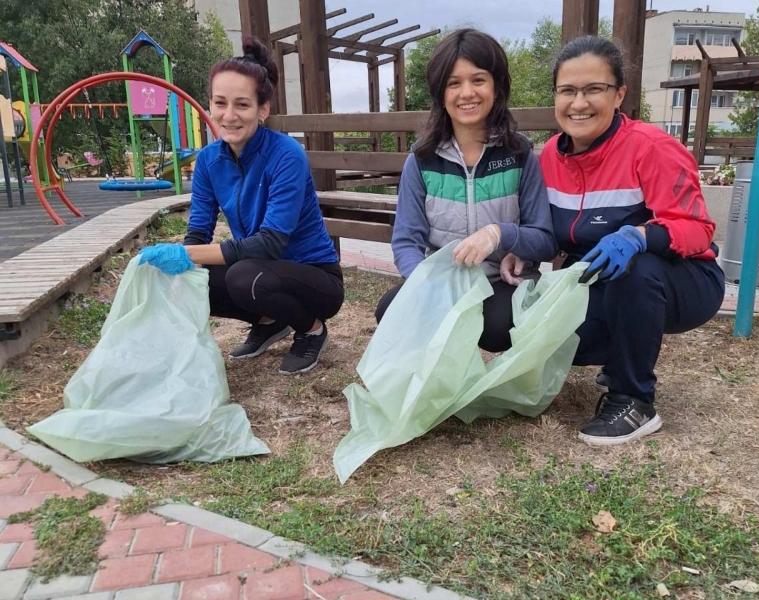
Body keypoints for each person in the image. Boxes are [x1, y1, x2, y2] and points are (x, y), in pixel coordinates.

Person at [504, 35, 724, 445]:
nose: (579, 103)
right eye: (567, 91)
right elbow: (548, 231)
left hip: (683, 278)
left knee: (636, 270)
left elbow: (699, 230)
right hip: (600, 278)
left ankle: (634, 399)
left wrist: (640, 235)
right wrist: (525, 253)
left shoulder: (651, 148)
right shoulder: (549, 156)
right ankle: (619, 354)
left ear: (619, 94)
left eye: (594, 90)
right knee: (542, 322)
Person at [137, 37, 343, 375]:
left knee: (243, 276)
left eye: (242, 105)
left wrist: (188, 255)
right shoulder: (207, 161)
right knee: (193, 282)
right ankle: (269, 322)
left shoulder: (286, 155)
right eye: (220, 103)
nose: (228, 116)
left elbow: (271, 241)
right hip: (259, 269)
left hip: (316, 280)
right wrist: (183, 262)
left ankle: (311, 330)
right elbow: (199, 230)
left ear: (263, 110)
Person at [375, 28, 558, 352]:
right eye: (454, 83)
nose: (466, 93)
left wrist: (497, 234)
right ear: (440, 93)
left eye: (478, 80)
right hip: (443, 283)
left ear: (497, 86)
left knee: (502, 327)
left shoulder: (520, 155)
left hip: (501, 282)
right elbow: (406, 240)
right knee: (390, 310)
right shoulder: (421, 160)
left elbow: (544, 239)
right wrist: (426, 285)